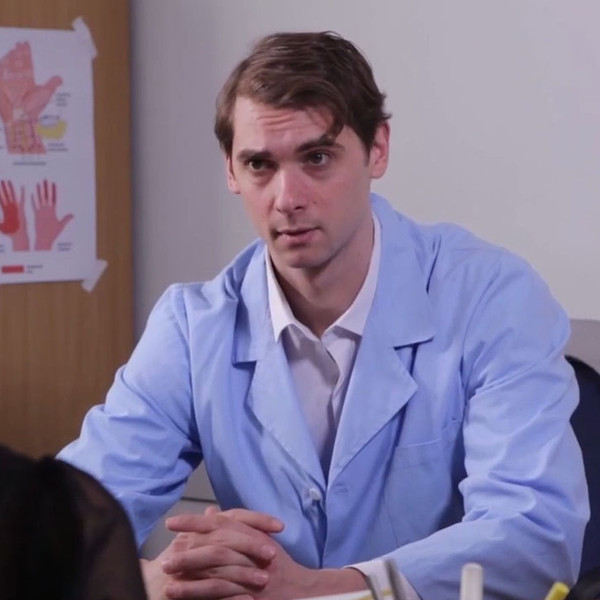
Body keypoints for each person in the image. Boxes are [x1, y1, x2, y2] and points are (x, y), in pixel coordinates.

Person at [58, 31, 588, 600]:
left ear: (377, 149)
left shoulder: (491, 298)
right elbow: (55, 527)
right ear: (231, 171)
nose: (287, 198)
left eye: (317, 158)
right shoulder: (193, 327)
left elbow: (534, 532)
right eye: (259, 164)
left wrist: (325, 590)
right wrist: (151, 581)